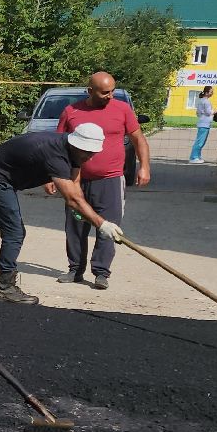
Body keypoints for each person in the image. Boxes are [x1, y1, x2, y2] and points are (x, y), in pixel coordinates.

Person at [0, 123, 118, 304]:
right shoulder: (56, 153)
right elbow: (72, 199)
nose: (90, 157)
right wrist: (101, 224)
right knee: (15, 231)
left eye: (93, 153)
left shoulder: (74, 152)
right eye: (88, 153)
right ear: (76, 144)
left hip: (3, 178)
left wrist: (82, 212)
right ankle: (5, 287)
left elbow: (74, 187)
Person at [53, 71, 148, 290]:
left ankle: (101, 272)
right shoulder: (71, 111)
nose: (110, 96)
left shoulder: (123, 110)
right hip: (76, 179)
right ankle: (75, 269)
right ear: (90, 91)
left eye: (113, 91)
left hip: (111, 180)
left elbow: (138, 139)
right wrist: (52, 177)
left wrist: (144, 166)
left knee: (109, 227)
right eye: (105, 92)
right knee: (75, 226)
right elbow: (58, 145)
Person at [188, 87, 215, 164]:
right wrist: (215, 111)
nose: (212, 93)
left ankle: (198, 156)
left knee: (201, 141)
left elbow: (198, 112)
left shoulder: (200, 100)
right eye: (211, 92)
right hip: (204, 123)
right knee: (200, 141)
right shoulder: (206, 102)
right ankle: (194, 157)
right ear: (206, 93)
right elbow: (208, 112)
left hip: (203, 122)